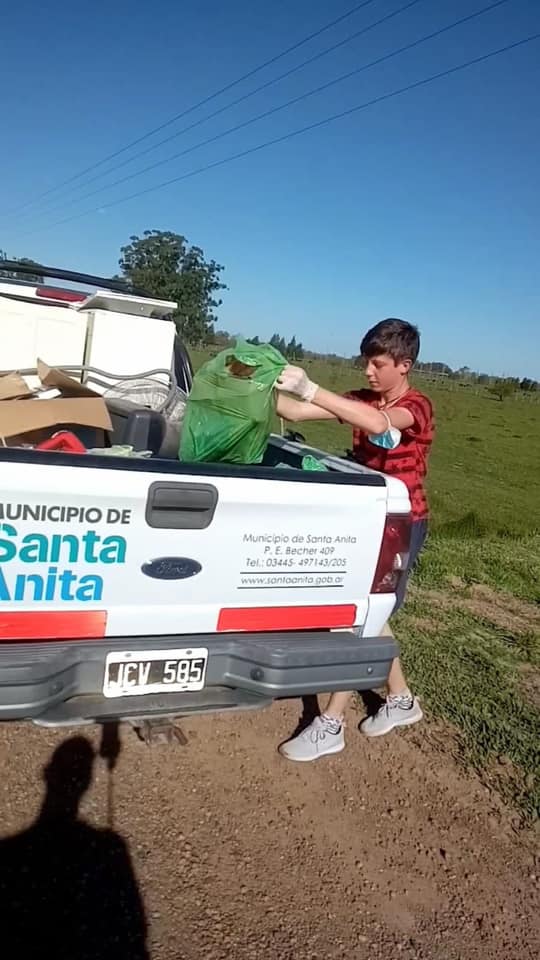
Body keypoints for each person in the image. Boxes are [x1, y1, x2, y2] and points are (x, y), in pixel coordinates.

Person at [274, 318, 434, 762]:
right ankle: (401, 700)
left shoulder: (417, 406)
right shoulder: (363, 398)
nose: (368, 371)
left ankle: (331, 724)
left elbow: (381, 423)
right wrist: (258, 380)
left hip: (400, 523)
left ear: (404, 365)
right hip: (365, 518)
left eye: (377, 364)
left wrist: (313, 388)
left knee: (361, 615)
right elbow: (296, 413)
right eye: (366, 362)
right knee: (370, 610)